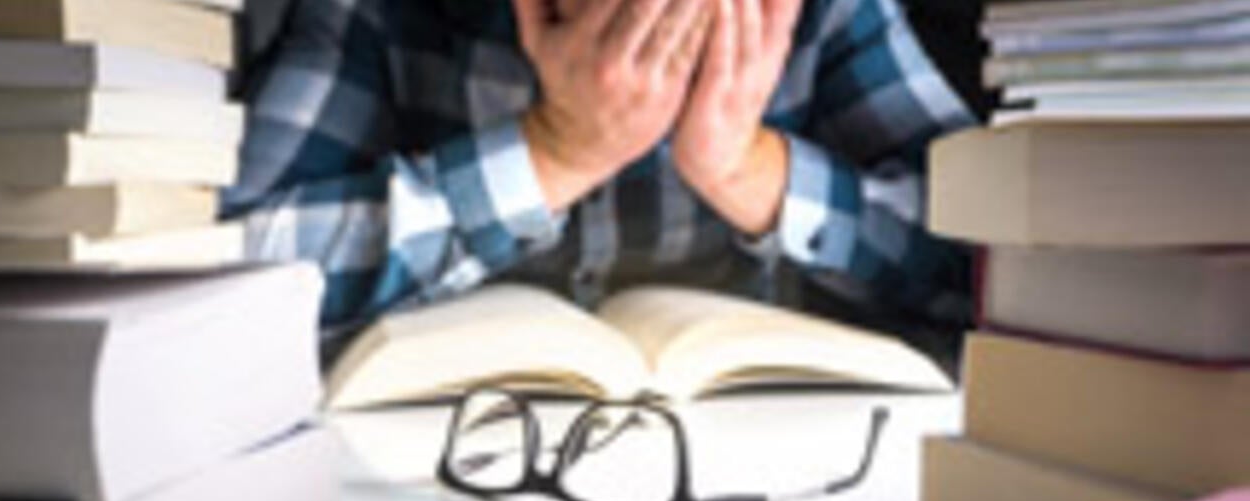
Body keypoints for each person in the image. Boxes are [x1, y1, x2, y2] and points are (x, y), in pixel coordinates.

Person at [225, 0, 976, 358]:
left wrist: (754, 171)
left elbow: (1004, 266)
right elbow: (224, 277)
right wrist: (553, 154)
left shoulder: (822, 13)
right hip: (427, 485)